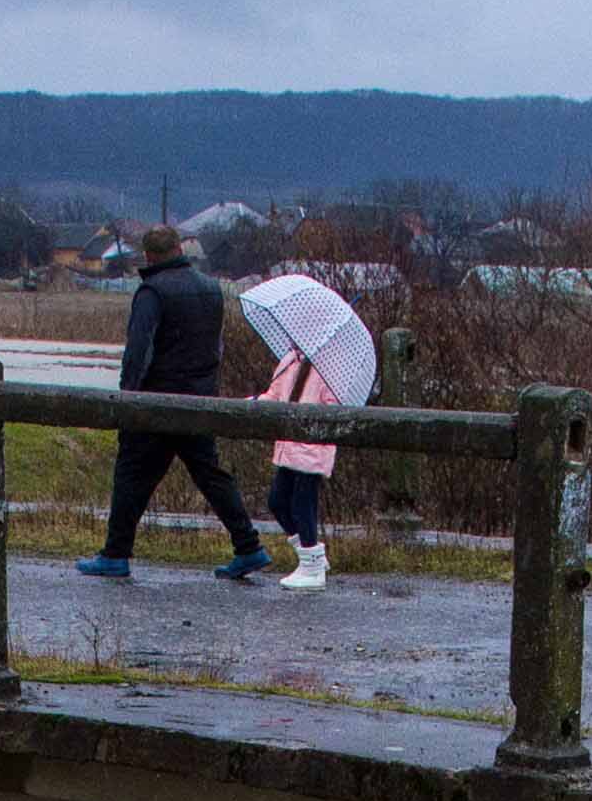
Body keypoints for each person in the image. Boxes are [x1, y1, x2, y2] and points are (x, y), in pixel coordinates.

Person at [74, 223, 268, 583]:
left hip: (157, 402)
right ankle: (248, 545)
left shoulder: (152, 292)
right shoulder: (211, 289)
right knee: (210, 474)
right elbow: (216, 346)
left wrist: (128, 398)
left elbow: (139, 351)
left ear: (147, 256)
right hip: (198, 397)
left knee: (132, 474)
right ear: (180, 249)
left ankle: (116, 553)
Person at [235, 273, 377, 592]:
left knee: (302, 503)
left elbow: (334, 405)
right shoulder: (291, 360)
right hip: (288, 443)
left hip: (312, 445)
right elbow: (275, 395)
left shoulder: (333, 367)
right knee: (277, 501)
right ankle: (309, 555)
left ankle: (312, 565)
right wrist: (251, 404)